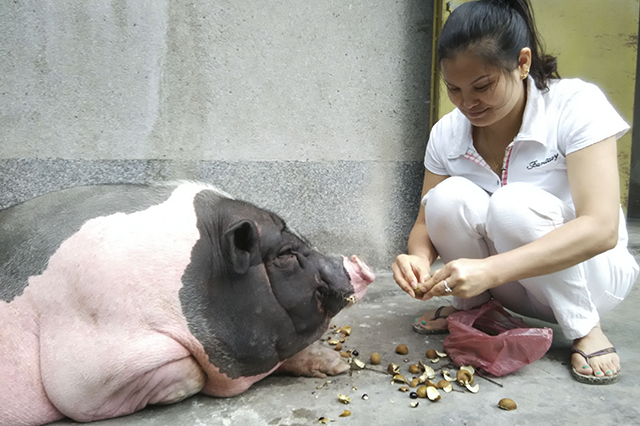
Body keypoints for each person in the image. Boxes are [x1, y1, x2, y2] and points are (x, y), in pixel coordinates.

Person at [391, 0, 639, 385]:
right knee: (447, 197)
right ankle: (475, 311)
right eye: (453, 89)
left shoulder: (574, 105)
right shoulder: (448, 131)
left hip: (591, 280)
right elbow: (427, 221)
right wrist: (417, 260)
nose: (467, 103)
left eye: (482, 86)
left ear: (522, 63)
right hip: (506, 285)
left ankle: (584, 326)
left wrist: (488, 270)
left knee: (512, 205)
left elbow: (602, 228)